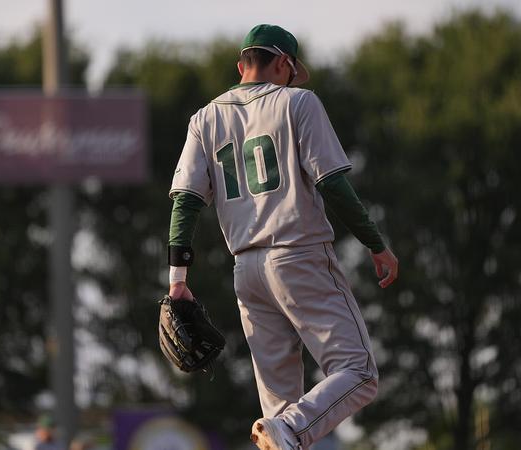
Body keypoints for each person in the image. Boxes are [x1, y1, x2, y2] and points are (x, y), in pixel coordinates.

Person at [166, 24, 398, 450]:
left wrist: (177, 279)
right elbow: (332, 184)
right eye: (291, 70)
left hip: (246, 271)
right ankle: (292, 429)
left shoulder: (204, 118)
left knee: (277, 413)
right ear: (282, 63)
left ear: (241, 65)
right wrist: (375, 243)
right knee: (358, 372)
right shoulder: (298, 102)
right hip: (298, 255)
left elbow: (186, 200)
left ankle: (285, 430)